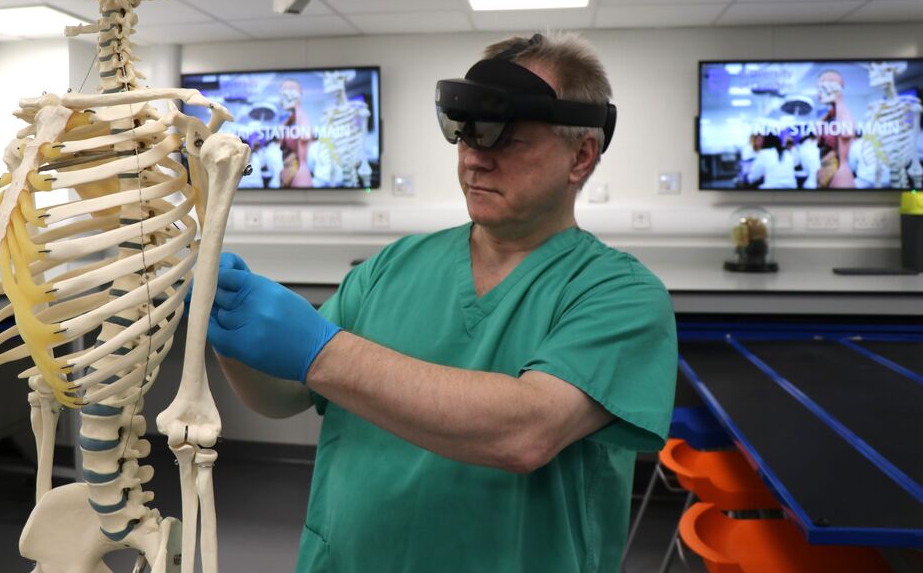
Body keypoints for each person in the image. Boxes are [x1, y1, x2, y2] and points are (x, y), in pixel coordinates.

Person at [207, 32, 678, 573]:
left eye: (505, 138)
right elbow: (282, 395)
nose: (475, 159)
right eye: (465, 135)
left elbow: (526, 432)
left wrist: (321, 351)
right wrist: (226, 327)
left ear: (581, 155)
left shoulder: (620, 294)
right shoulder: (392, 266)